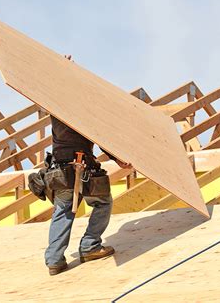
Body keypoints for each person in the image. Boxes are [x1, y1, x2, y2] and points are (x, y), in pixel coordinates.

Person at [45, 55, 132, 276]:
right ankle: (90, 246)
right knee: (103, 203)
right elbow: (101, 138)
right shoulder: (83, 110)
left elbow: (49, 88)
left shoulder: (54, 107)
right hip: (82, 167)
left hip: (59, 169)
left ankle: (54, 260)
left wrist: (60, 71)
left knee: (63, 211)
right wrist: (117, 158)